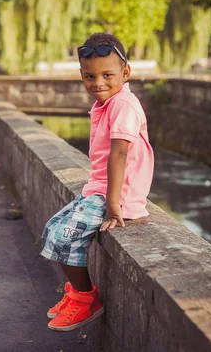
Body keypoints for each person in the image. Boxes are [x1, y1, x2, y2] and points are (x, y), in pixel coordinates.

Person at [40, 32, 154, 332]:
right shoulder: (106, 104)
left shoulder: (124, 105)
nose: (98, 83)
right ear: (81, 74)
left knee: (63, 237)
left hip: (116, 196)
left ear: (125, 72)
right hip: (99, 190)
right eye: (90, 76)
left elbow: (119, 154)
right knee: (51, 229)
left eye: (107, 75)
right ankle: (76, 293)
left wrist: (114, 204)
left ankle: (86, 299)